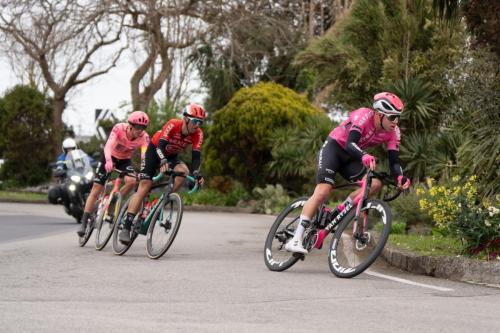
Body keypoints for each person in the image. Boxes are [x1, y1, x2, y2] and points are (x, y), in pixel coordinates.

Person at [285, 92, 412, 254]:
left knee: (374, 184)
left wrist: (400, 177)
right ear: (379, 115)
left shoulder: (394, 132)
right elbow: (350, 143)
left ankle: (338, 213)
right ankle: (296, 238)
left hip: (352, 158)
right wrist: (364, 155)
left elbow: (394, 162)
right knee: (324, 190)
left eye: (398, 117)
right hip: (335, 148)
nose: (396, 122)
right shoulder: (363, 116)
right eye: (392, 117)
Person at [118, 103, 206, 245]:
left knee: (183, 172)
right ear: (186, 119)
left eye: (200, 122)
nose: (198, 125)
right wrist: (162, 160)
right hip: (154, 152)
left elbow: (196, 157)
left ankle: (162, 200)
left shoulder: (198, 133)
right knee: (145, 184)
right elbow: (160, 146)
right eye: (195, 121)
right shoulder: (173, 124)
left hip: (171, 156)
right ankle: (126, 226)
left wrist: (197, 173)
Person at [77, 111, 150, 237]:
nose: (140, 130)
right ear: (130, 125)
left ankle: (115, 199)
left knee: (132, 181)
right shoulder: (119, 128)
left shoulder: (144, 137)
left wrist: (144, 171)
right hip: (109, 156)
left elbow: (145, 156)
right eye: (138, 127)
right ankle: (84, 221)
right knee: (96, 188)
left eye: (143, 127)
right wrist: (109, 161)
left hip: (125, 160)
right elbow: (108, 146)